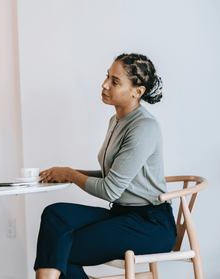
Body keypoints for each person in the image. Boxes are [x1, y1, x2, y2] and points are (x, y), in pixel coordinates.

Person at [34, 53, 176, 279]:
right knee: (56, 214)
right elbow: (114, 174)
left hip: (150, 224)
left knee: (61, 249)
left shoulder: (143, 127)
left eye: (115, 81)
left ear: (136, 92)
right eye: (107, 77)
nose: (104, 84)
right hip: (121, 214)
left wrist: (70, 174)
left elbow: (110, 189)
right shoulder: (116, 121)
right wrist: (67, 173)